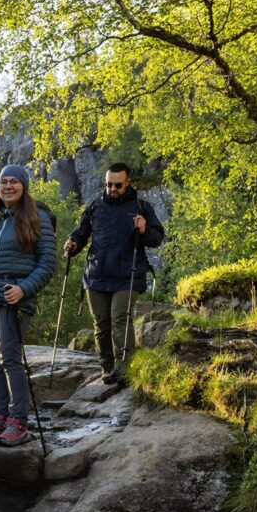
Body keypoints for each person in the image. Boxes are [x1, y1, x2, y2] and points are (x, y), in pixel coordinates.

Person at [0, 164, 57, 446]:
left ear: (24, 186)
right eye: (3, 182)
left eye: (14, 182)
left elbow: (47, 264)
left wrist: (23, 289)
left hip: (14, 296)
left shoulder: (38, 217)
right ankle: (2, 415)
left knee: (10, 357)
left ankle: (19, 421)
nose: (8, 187)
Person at [64, 163, 165, 384]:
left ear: (127, 183)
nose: (112, 188)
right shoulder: (95, 206)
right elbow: (81, 234)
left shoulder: (141, 207)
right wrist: (72, 244)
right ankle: (107, 367)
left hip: (128, 274)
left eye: (117, 185)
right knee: (101, 322)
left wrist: (144, 229)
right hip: (96, 274)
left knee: (120, 318)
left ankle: (125, 367)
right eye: (108, 184)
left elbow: (156, 239)